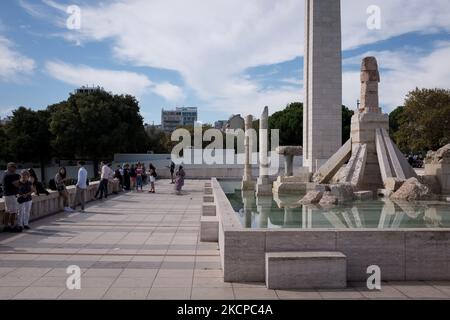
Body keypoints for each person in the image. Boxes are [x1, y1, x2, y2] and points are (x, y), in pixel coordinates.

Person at [2, 163, 20, 232]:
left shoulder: (6, 174)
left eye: (15, 167)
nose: (15, 169)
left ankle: (6, 226)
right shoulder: (9, 175)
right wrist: (21, 179)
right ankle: (12, 226)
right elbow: (17, 185)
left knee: (8, 211)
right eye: (14, 167)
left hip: (8, 195)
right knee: (13, 211)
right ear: (9, 167)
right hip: (10, 195)